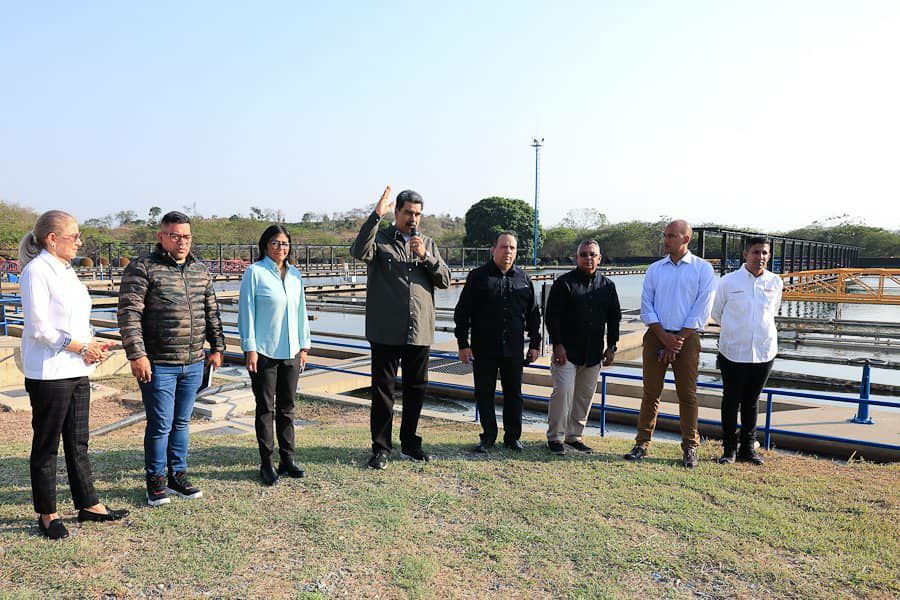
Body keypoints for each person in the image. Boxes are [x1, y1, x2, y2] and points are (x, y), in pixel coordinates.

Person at [18, 210, 128, 539]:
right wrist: (80, 347)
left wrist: (92, 344)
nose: (79, 242)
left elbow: (77, 320)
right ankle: (47, 514)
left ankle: (88, 503)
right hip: (50, 372)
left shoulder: (66, 271)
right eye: (74, 236)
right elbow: (39, 328)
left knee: (78, 441)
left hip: (76, 368)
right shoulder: (37, 271)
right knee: (47, 444)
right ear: (53, 239)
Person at [118, 211, 226, 506]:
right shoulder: (143, 268)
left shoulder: (200, 270)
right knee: (160, 423)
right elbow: (129, 315)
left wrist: (217, 347)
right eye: (175, 235)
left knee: (181, 422)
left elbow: (211, 312)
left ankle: (178, 475)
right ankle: (155, 480)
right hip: (159, 363)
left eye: (187, 236)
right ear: (161, 236)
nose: (182, 242)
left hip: (193, 361)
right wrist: (137, 355)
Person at [350, 186, 451, 469]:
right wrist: (375, 216)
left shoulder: (428, 243)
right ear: (397, 212)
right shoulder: (380, 239)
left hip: (418, 330)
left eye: (418, 214)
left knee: (416, 389)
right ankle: (381, 448)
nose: (413, 219)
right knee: (383, 392)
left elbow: (445, 279)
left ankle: (410, 444)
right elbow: (358, 250)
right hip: (386, 331)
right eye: (408, 212)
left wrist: (426, 257)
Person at [625, 220, 716, 468]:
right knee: (650, 392)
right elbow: (647, 305)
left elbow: (702, 309)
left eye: (671, 236)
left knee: (687, 395)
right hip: (657, 335)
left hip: (686, 338)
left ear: (686, 239)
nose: (666, 240)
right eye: (665, 236)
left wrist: (677, 341)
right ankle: (641, 443)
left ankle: (690, 446)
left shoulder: (702, 270)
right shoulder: (655, 269)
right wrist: (665, 339)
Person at [453, 232, 541, 453]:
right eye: (504, 247)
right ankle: (488, 437)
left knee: (514, 395)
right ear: (494, 249)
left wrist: (535, 344)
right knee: (484, 393)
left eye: (512, 248)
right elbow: (462, 313)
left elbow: (533, 314)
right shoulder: (478, 277)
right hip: (484, 348)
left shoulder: (523, 279)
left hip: (513, 348)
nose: (508, 252)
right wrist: (463, 344)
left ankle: (512, 437)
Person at [238, 225, 311, 485]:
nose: (281, 248)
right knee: (265, 408)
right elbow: (246, 313)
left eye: (285, 243)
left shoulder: (294, 276)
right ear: (265, 245)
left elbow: (302, 312)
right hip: (265, 352)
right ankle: (266, 462)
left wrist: (304, 346)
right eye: (276, 243)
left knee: (287, 408)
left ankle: (287, 458)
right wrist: (250, 348)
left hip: (291, 350)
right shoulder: (254, 273)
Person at [544, 240, 621, 455]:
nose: (588, 258)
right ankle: (555, 437)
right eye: (584, 254)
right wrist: (557, 345)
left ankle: (574, 436)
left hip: (593, 352)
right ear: (576, 258)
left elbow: (614, 318)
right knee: (563, 393)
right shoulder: (564, 283)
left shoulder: (607, 286)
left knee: (584, 397)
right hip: (566, 352)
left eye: (592, 254)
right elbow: (552, 317)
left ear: (599, 258)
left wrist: (612, 346)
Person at [711, 237, 782, 465]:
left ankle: (748, 449)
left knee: (752, 400)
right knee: (731, 400)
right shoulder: (728, 282)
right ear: (745, 254)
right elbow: (716, 313)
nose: (760, 257)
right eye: (755, 252)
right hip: (733, 350)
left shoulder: (775, 282)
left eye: (764, 253)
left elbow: (773, 311)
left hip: (763, 351)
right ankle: (729, 449)